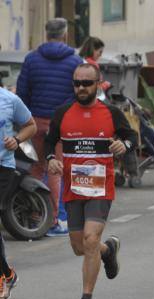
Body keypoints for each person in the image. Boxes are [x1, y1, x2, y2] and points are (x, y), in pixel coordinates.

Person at [44, 63, 137, 299]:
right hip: (73, 188)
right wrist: (51, 158)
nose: (81, 88)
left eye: (87, 83)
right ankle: (108, 251)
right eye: (77, 83)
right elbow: (50, 141)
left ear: (98, 84)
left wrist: (124, 146)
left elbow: (132, 137)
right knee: (79, 246)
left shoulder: (111, 112)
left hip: (100, 188)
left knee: (90, 239)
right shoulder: (63, 113)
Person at [16, 18, 82, 237]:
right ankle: (53, 220)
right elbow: (80, 94)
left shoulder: (31, 59)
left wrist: (25, 119)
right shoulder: (75, 61)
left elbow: (22, 92)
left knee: (36, 168)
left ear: (46, 34)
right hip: (61, 123)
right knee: (56, 170)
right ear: (64, 35)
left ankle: (35, 214)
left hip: (35, 121)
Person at [0, 86, 36, 299]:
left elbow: (30, 126)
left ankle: (3, 277)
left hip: (2, 167)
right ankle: (7, 273)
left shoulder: (10, 99)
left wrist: (17, 139)